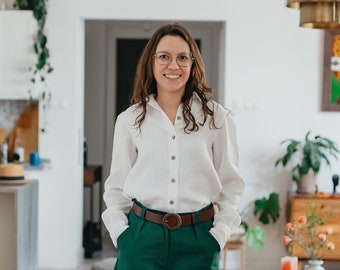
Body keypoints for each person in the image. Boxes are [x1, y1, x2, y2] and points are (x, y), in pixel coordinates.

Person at [102, 22, 245, 270]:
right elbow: (116, 188)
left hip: (198, 240)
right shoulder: (130, 120)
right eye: (164, 57)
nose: (173, 65)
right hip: (141, 239)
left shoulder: (217, 119)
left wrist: (218, 235)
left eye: (182, 58)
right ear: (152, 62)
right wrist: (122, 236)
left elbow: (231, 186)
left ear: (192, 63)